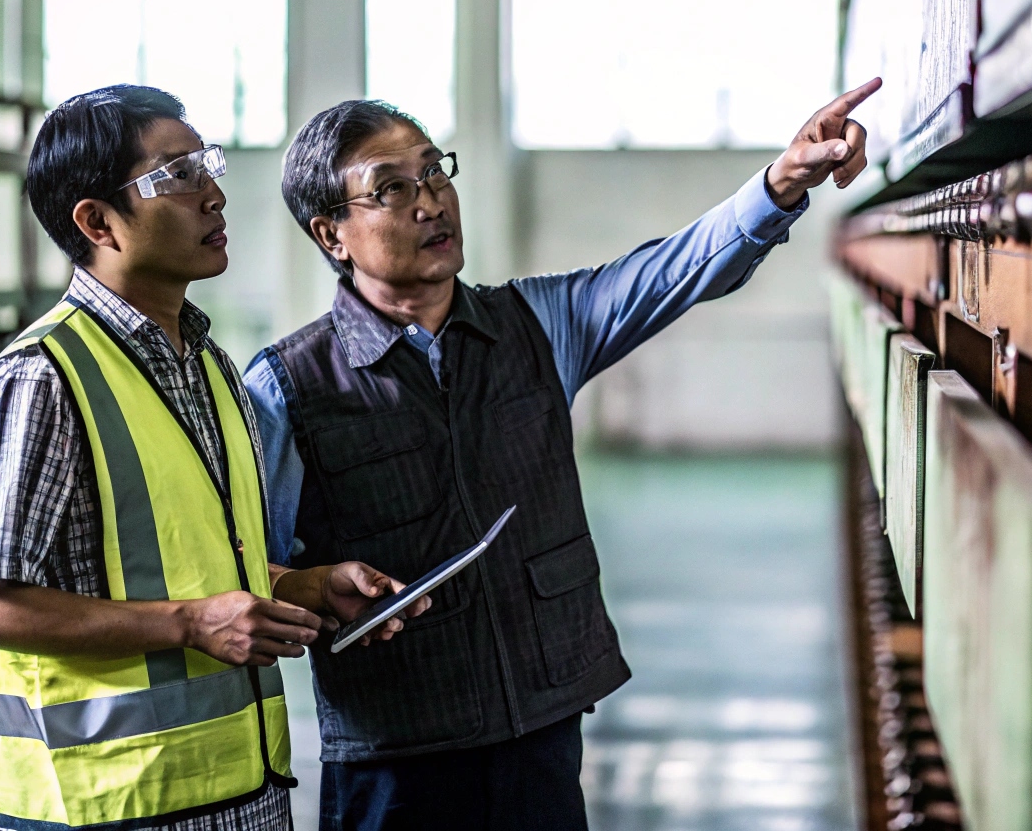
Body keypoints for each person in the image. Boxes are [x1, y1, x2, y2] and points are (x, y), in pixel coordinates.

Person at [242, 77, 882, 830]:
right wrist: (315, 586)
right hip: (396, 758)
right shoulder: (288, 386)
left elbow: (671, 273)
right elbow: (249, 572)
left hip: (539, 731)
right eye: (391, 189)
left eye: (435, 171)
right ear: (331, 234)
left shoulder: (535, 324)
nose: (431, 201)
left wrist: (779, 185)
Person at [0, 85, 428, 831]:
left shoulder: (209, 367)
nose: (212, 193)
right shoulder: (43, 376)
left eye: (207, 165)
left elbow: (199, 560)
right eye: (177, 175)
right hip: (109, 805)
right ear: (97, 221)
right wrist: (188, 624)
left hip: (240, 793)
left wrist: (307, 585)